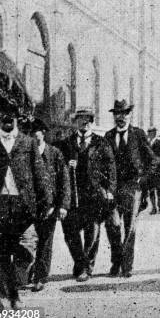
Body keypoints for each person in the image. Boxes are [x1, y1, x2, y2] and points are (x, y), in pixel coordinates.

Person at [0, 109, 53, 309]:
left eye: (10, 116)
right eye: (3, 116)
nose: (7, 120)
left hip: (22, 207)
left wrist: (46, 203)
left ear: (16, 118)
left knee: (11, 251)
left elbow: (40, 174)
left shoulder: (28, 142)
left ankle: (13, 293)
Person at [58, 107, 117, 282]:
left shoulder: (101, 143)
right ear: (76, 121)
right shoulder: (66, 143)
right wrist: (67, 166)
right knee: (70, 233)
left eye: (88, 119)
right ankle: (80, 262)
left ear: (92, 122)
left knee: (92, 232)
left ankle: (86, 267)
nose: (85, 122)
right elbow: (58, 168)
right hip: (73, 196)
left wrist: (110, 191)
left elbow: (111, 169)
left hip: (94, 196)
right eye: (81, 119)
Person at [104, 100, 156, 278]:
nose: (121, 117)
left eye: (125, 113)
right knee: (112, 226)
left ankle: (127, 266)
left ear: (130, 115)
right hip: (113, 188)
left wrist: (144, 179)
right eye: (117, 114)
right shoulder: (108, 136)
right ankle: (116, 262)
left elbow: (153, 161)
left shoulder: (139, 134)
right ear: (114, 116)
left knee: (130, 228)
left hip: (133, 188)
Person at [29, 119, 71, 292]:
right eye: (30, 133)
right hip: (30, 206)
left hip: (50, 205)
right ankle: (25, 272)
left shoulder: (54, 153)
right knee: (27, 241)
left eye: (36, 132)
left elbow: (64, 180)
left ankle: (40, 277)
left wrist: (63, 205)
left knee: (45, 241)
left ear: (43, 133)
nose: (33, 135)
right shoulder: (25, 153)